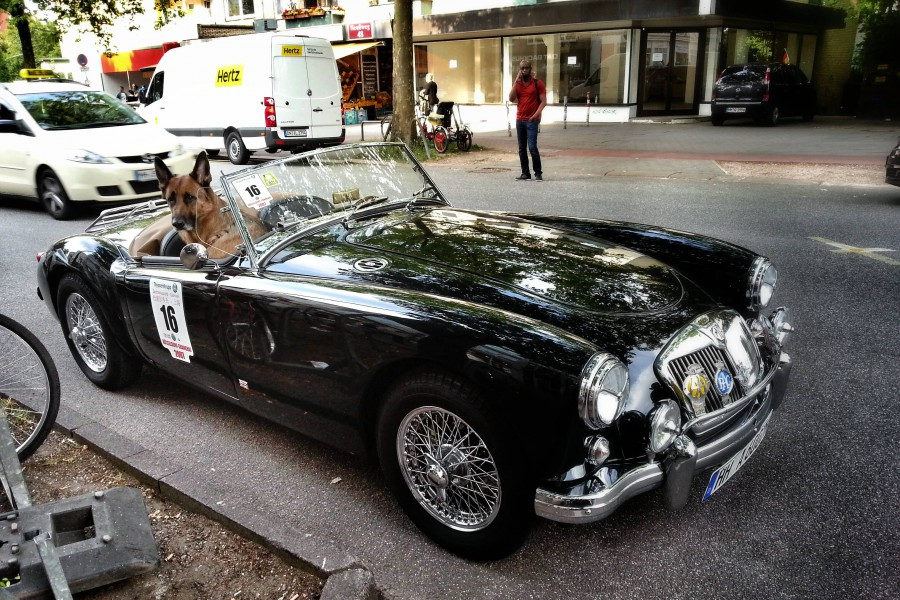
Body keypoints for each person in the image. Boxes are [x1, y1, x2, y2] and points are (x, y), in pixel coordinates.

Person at [508, 59, 546, 181]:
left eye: (526, 68)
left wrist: (536, 114)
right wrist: (515, 80)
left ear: (531, 69)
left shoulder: (537, 83)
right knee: (521, 147)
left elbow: (544, 101)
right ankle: (525, 173)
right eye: (522, 68)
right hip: (520, 119)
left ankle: (538, 173)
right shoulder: (518, 84)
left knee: (532, 147)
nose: (524, 70)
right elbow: (511, 98)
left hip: (532, 120)